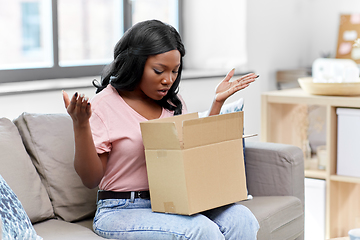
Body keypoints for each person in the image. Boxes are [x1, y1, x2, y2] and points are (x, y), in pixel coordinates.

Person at [63, 19, 259, 240]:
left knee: (242, 218)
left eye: (175, 71)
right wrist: (80, 125)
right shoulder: (104, 105)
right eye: (159, 71)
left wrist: (217, 104)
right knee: (201, 231)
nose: (168, 80)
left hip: (173, 201)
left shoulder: (174, 104)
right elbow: (90, 179)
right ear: (135, 64)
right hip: (121, 208)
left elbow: (191, 156)